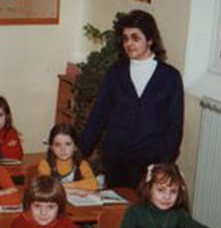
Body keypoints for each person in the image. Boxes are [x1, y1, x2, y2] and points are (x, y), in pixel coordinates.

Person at [79, 10, 184, 188]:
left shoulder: (170, 77)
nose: (129, 43)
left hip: (151, 163)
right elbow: (98, 117)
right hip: (115, 159)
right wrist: (77, 155)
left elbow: (174, 126)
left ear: (150, 40)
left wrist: (163, 166)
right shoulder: (115, 73)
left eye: (135, 38)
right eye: (125, 38)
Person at [119, 163, 213, 228]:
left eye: (173, 191)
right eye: (161, 190)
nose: (167, 197)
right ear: (149, 189)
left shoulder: (178, 213)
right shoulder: (135, 211)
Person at [10, 175, 87, 228]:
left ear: (59, 207)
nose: (43, 212)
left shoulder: (64, 221)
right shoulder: (20, 223)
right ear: (28, 205)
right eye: (37, 206)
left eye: (51, 207)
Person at [37, 123, 98, 193]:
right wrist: (76, 190)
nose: (62, 149)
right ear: (51, 147)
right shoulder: (45, 164)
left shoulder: (81, 163)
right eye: (57, 145)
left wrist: (64, 187)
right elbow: (45, 186)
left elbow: (94, 184)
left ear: (75, 146)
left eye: (68, 144)